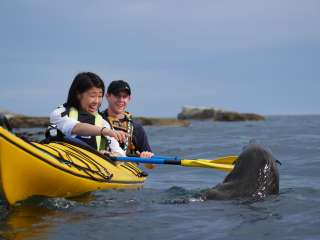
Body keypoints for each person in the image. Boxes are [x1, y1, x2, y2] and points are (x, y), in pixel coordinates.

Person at [50, 72, 127, 156]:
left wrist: (114, 154)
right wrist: (105, 131)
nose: (97, 101)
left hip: (92, 166)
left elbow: (119, 151)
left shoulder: (103, 122)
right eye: (92, 96)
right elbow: (74, 127)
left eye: (100, 96)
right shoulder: (59, 113)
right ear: (78, 94)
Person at [101, 80, 155, 168]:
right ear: (107, 96)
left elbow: (151, 166)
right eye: (117, 96)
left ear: (129, 99)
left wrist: (147, 158)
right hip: (103, 165)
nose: (121, 100)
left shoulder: (136, 128)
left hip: (127, 171)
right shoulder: (98, 120)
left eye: (124, 96)